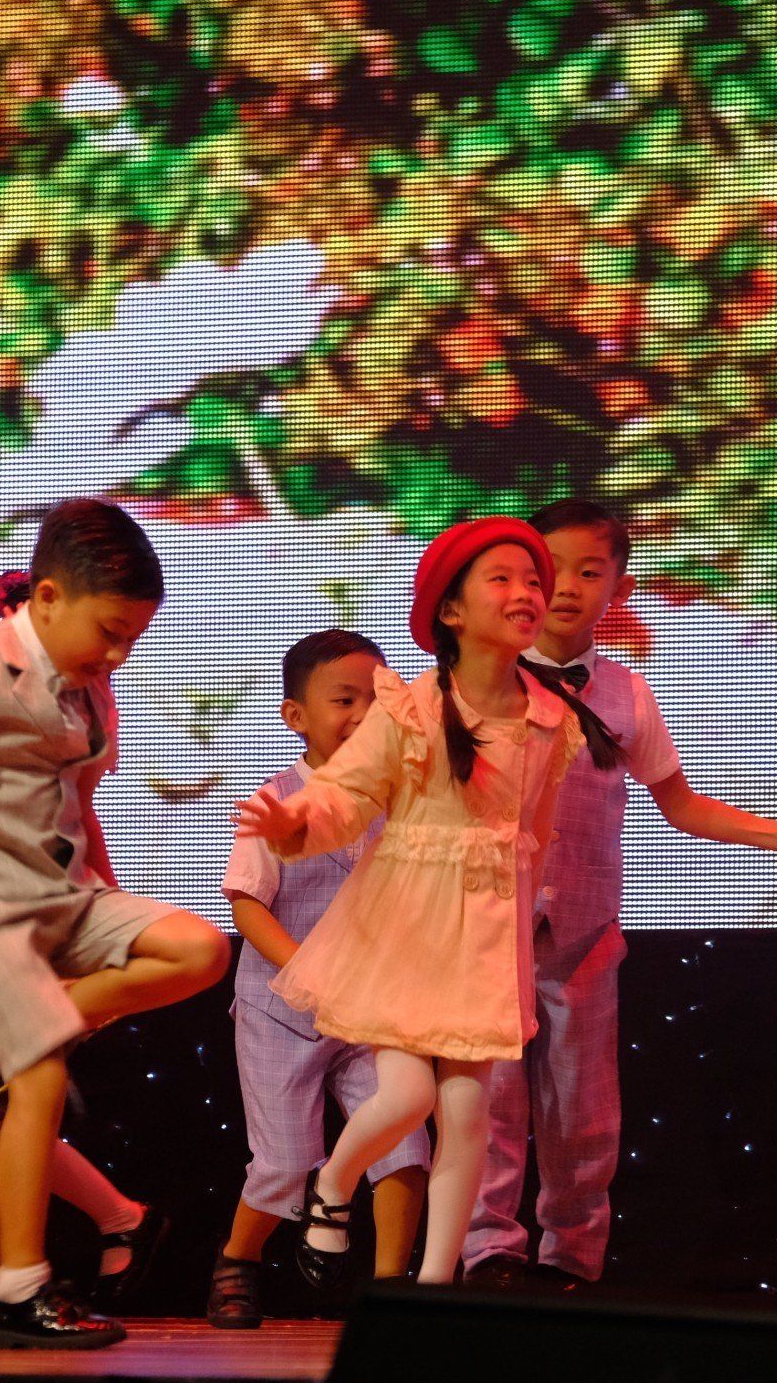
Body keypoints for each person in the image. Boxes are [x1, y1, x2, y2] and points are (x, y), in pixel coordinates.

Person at [463, 500, 777, 1290]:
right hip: (484, 929)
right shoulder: (480, 679)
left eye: (589, 572)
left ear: (618, 590)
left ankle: (572, 1261)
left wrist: (776, 835)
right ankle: (489, 1249)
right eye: (548, 569)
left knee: (583, 1114)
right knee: (490, 1103)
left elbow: (682, 803)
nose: (565, 587)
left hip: (586, 935)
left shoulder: (628, 693)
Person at [234, 518, 609, 1285]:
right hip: (403, 928)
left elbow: (532, 833)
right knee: (404, 1094)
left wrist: (524, 904)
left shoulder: (549, 719)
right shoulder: (406, 710)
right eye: (502, 579)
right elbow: (343, 797)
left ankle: (436, 1286)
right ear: (451, 610)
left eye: (533, 580)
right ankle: (334, 1184)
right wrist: (294, 824)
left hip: (481, 941)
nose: (529, 593)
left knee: (467, 1114)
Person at [0, 498, 230, 1348]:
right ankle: (18, 1290)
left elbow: (82, 806)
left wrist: (119, 909)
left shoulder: (92, 693)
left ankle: (65, 1004)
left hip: (66, 895)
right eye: (110, 632)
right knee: (39, 1077)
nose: (118, 654)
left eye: (133, 639)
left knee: (199, 947)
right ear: (47, 597)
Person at [208, 630, 431, 1330]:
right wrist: (309, 974)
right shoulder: (275, 800)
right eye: (344, 699)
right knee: (282, 1161)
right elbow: (247, 904)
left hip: (372, 1010)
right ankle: (236, 1263)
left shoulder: (406, 799)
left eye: (377, 698)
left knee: (403, 1141)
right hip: (283, 1012)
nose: (364, 713)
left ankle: (392, 1284)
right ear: (295, 715)